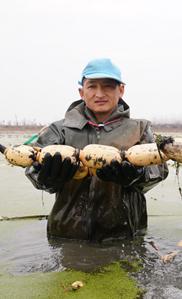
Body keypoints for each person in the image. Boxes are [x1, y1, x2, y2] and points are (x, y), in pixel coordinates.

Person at [25, 58, 168, 242]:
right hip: (66, 233)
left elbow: (158, 170)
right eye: (92, 86)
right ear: (82, 92)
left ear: (121, 91)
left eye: (108, 86)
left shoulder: (140, 128)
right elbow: (31, 165)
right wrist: (45, 177)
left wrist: (138, 175)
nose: (100, 93)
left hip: (124, 233)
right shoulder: (60, 130)